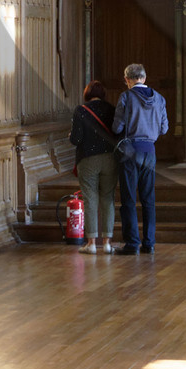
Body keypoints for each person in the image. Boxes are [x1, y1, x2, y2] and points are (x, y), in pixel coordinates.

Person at [112, 63, 169, 255]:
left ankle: (132, 244)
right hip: (150, 151)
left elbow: (117, 127)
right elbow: (164, 129)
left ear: (127, 80)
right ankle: (149, 243)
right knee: (148, 199)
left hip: (130, 151)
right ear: (144, 78)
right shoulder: (159, 98)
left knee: (128, 198)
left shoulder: (126, 97)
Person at [68, 80, 118, 254]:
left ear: (87, 94)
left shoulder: (81, 110)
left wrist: (71, 134)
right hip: (110, 158)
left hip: (87, 159)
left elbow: (76, 139)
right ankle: (107, 243)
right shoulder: (111, 109)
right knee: (108, 198)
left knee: (90, 199)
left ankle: (91, 243)